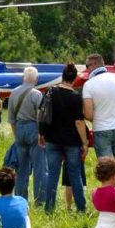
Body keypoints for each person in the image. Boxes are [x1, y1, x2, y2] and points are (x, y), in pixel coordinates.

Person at [39, 63, 88, 212]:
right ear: (74, 79)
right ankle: (81, 208)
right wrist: (85, 142)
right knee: (75, 175)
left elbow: (42, 114)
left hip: (52, 139)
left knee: (52, 175)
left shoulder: (50, 92)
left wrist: (41, 134)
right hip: (71, 141)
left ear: (62, 76)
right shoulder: (75, 97)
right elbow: (79, 122)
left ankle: (49, 208)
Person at [83, 53, 115, 190]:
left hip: (101, 129)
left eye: (87, 66)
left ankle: (110, 195)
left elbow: (88, 114)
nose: (86, 69)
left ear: (94, 65)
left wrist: (95, 116)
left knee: (105, 168)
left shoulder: (88, 85)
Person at [7, 67, 47, 204]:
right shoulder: (37, 94)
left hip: (19, 129)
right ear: (36, 79)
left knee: (21, 168)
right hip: (33, 128)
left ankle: (20, 199)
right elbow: (39, 116)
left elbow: (11, 119)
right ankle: (39, 200)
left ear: (23, 78)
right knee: (39, 167)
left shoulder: (13, 93)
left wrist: (16, 135)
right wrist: (41, 134)